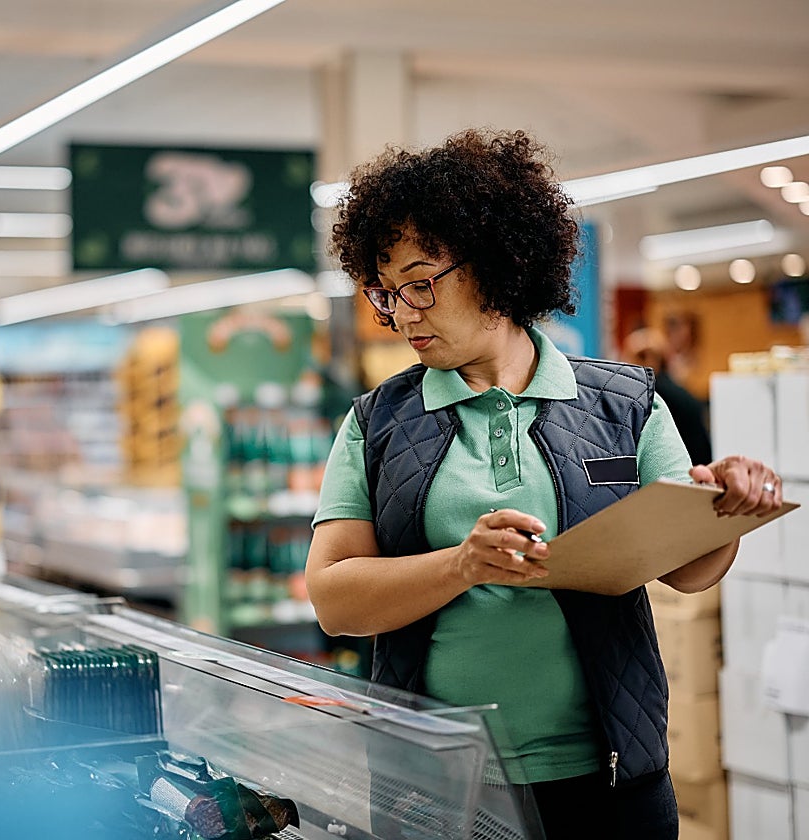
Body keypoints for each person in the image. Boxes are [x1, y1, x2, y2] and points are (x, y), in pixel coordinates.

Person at [304, 128, 784, 840]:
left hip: (611, 780)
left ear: (494, 266)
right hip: (437, 789)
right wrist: (462, 564)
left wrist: (725, 513)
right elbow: (334, 599)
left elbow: (689, 571)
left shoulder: (625, 404)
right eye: (386, 292)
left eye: (420, 283)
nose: (402, 313)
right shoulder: (377, 425)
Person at [622, 327, 713, 466]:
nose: (625, 363)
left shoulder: (652, 396)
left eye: (630, 357)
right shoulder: (674, 390)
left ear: (650, 358)